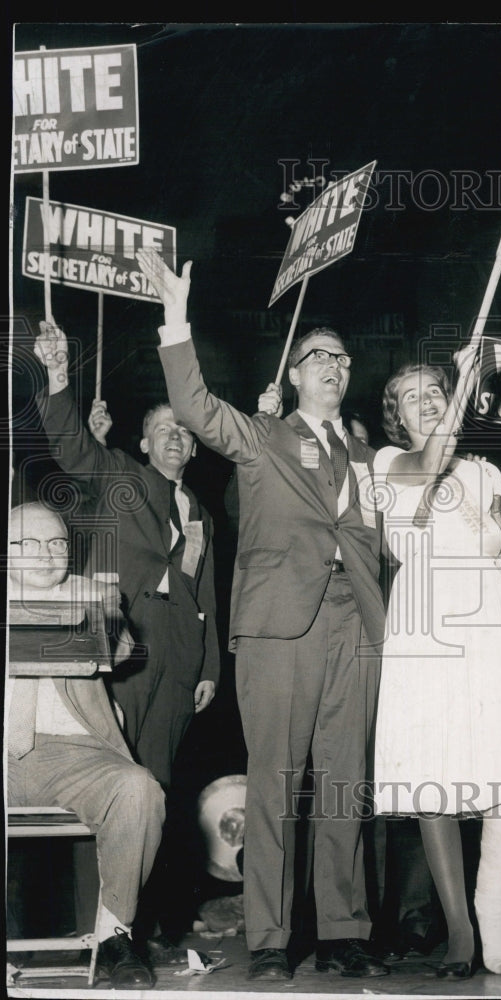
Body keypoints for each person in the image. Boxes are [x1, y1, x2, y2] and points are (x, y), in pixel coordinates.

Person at [136, 247, 388, 982]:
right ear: (294, 374)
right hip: (282, 625)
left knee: (344, 780)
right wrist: (176, 318)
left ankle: (344, 930)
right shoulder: (263, 437)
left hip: (357, 627)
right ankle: (271, 937)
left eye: (341, 358)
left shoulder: (369, 456)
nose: (333, 366)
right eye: (318, 357)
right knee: (277, 778)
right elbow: (194, 409)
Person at [33, 324, 220, 954]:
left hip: (178, 661)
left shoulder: (200, 511)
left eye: (186, 430)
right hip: (122, 650)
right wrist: (59, 378)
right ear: (143, 442)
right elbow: (73, 449)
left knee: (158, 783)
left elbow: (208, 596)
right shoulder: (124, 478)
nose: (176, 436)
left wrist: (210, 667)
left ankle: (133, 920)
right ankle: (100, 924)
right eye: (165, 427)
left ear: (194, 448)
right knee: (112, 777)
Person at [371, 354, 501, 977]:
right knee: (433, 777)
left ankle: (493, 908)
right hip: (425, 625)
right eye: (408, 394)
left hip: (491, 624)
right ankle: (459, 932)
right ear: (394, 413)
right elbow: (428, 466)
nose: (423, 399)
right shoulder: (388, 465)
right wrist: (465, 383)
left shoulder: (488, 473)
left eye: (434, 390)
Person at [6, 502, 165, 989]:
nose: (46, 555)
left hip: (78, 755)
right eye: (29, 545)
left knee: (139, 788)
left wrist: (102, 613)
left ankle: (115, 936)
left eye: (56, 544)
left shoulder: (90, 595)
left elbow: (116, 646)